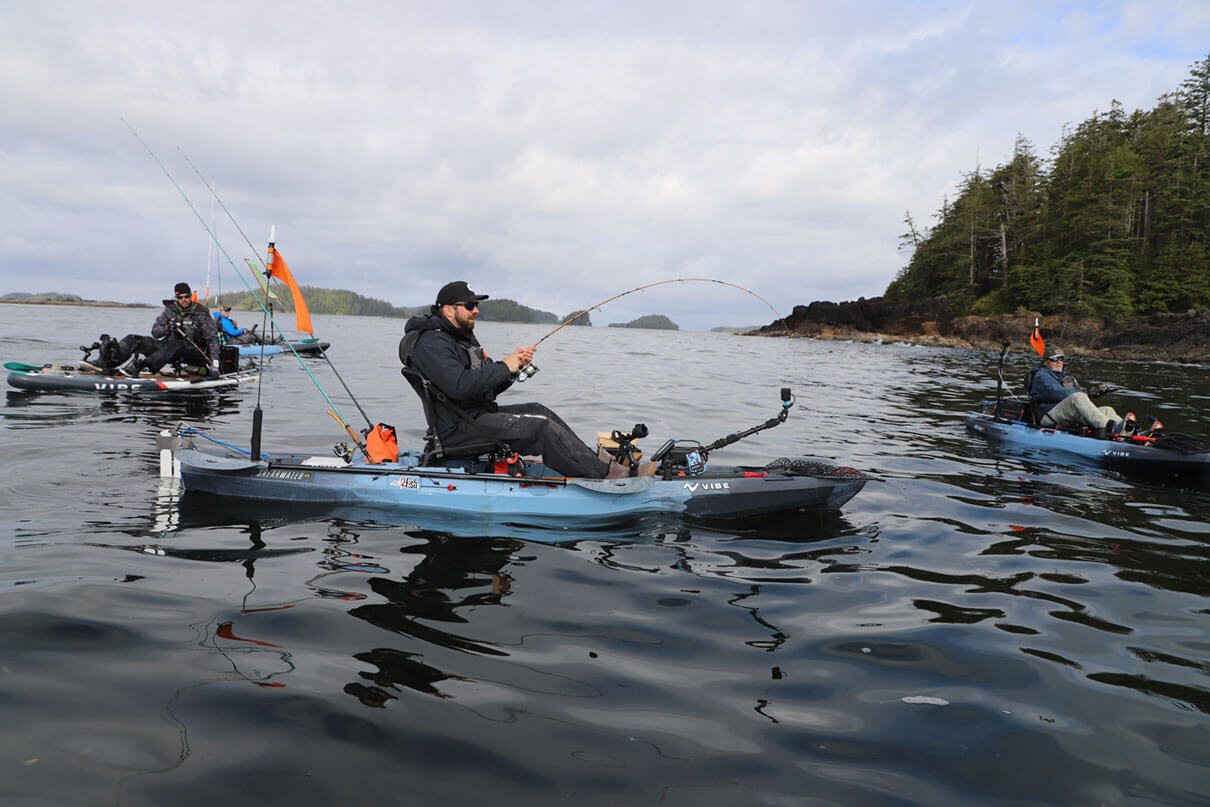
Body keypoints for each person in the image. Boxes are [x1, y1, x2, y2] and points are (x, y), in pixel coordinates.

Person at [400, 280, 651, 478]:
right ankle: (606, 476)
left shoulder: (459, 337)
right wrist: (503, 366)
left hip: (475, 416)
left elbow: (484, 389)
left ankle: (598, 462)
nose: (476, 310)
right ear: (448, 309)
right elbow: (459, 386)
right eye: (469, 305)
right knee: (539, 428)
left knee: (539, 411)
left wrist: (513, 369)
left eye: (476, 305)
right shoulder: (431, 343)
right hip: (457, 430)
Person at [1029, 349, 1135, 437]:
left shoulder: (1063, 375)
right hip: (1048, 416)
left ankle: (1129, 432)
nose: (1059, 362)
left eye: (1061, 359)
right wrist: (1087, 392)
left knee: (1107, 410)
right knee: (1077, 397)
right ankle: (1111, 429)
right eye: (1055, 359)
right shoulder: (1042, 376)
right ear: (1046, 361)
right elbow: (1059, 394)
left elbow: (1075, 392)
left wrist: (1096, 392)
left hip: (1066, 414)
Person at [123, 282, 220, 376]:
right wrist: (168, 328)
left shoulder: (201, 313)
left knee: (176, 341)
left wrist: (214, 364)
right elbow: (155, 332)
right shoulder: (169, 310)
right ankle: (111, 363)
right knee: (134, 340)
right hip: (168, 350)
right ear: (176, 298)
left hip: (193, 352)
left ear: (190, 296)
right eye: (180, 297)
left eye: (186, 296)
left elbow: (212, 340)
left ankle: (144, 366)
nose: (184, 300)